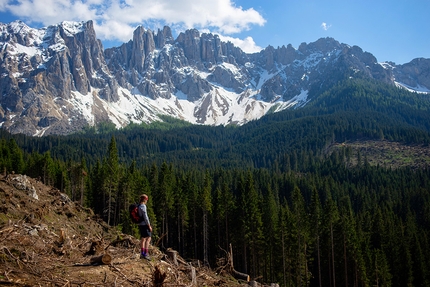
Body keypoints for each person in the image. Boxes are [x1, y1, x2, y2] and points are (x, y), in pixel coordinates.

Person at [138, 194, 152, 260]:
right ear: (145, 199)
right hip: (144, 224)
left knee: (143, 238)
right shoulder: (143, 206)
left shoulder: (138, 206)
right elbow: (146, 217)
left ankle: (142, 254)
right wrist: (149, 226)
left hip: (140, 224)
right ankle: (145, 254)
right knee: (148, 238)